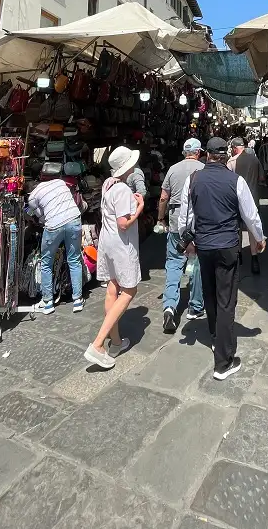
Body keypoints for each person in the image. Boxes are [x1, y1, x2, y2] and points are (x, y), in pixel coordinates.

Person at [179, 137, 266, 380]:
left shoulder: (193, 179)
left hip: (204, 245)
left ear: (207, 155)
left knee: (209, 292)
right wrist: (259, 238)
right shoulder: (235, 181)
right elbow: (251, 214)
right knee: (226, 300)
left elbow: (186, 216)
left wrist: (187, 242)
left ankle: (216, 336)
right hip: (228, 245)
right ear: (225, 155)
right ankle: (224, 362)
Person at [84, 146, 144, 369]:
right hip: (121, 244)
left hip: (107, 242)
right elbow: (124, 223)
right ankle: (98, 344)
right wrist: (139, 207)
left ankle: (116, 341)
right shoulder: (122, 191)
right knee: (129, 290)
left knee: (113, 286)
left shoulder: (109, 186)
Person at [158, 137, 205, 332]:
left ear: (184, 152)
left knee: (173, 263)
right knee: (196, 263)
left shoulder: (173, 169)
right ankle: (195, 306)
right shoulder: (204, 169)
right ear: (199, 152)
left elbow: (163, 197)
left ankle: (169, 306)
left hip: (176, 221)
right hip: (198, 223)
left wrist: (161, 219)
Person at [28, 175, 85, 315]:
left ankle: (48, 302)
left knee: (47, 263)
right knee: (74, 260)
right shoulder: (59, 182)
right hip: (73, 219)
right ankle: (77, 300)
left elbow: (41, 216)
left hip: (54, 225)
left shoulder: (32, 198)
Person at [228, 136, 265, 276]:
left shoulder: (232, 161)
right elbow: (262, 178)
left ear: (234, 148)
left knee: (236, 227)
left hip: (236, 200)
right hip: (253, 198)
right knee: (251, 227)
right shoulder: (255, 160)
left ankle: (239, 256)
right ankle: (254, 258)